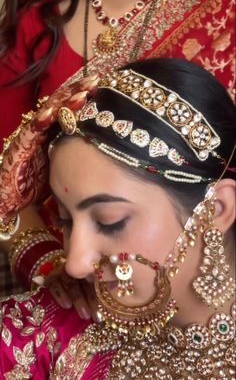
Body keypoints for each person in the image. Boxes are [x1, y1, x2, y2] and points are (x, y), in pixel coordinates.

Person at [0, 0, 235, 302]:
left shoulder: (224, 3)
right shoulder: (37, 13)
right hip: (75, 288)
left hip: (208, 295)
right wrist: (51, 266)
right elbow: (6, 185)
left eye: (113, 220)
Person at [0, 58, 235, 378]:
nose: (76, 264)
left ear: (216, 209)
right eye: (65, 221)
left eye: (110, 221)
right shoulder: (44, 335)